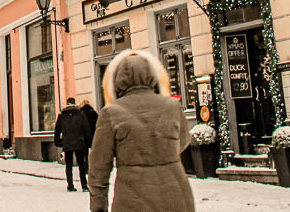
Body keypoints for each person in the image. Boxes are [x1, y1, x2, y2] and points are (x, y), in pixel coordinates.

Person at [89, 50, 194, 212]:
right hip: (175, 195)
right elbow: (184, 141)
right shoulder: (172, 106)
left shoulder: (111, 113)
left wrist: (98, 207)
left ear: (118, 80)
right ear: (152, 76)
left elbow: (98, 168)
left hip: (132, 199)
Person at [55, 97, 93, 192]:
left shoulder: (62, 116)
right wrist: (88, 142)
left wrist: (58, 142)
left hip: (67, 143)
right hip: (80, 143)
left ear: (67, 103)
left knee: (69, 165)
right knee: (81, 165)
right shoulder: (80, 114)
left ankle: (70, 185)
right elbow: (87, 129)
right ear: (74, 103)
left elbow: (57, 131)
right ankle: (84, 185)